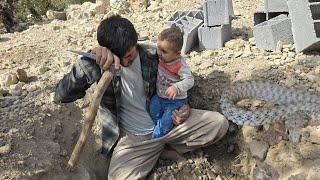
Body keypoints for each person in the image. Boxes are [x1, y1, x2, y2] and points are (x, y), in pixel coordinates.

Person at [54, 15, 229, 180]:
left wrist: (184, 108)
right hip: (134, 140)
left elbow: (179, 82)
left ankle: (163, 147)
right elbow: (61, 95)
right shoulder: (98, 65)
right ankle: (157, 151)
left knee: (219, 123)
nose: (128, 60)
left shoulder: (153, 55)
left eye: (131, 53)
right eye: (123, 57)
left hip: (168, 124)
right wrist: (87, 59)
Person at [150, 27, 194, 139]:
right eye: (158, 48)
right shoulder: (162, 57)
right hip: (160, 97)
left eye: (164, 51)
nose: (159, 53)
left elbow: (190, 80)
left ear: (177, 53)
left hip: (175, 102)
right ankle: (159, 129)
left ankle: (158, 137)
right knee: (152, 110)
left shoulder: (180, 65)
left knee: (167, 121)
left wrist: (176, 87)